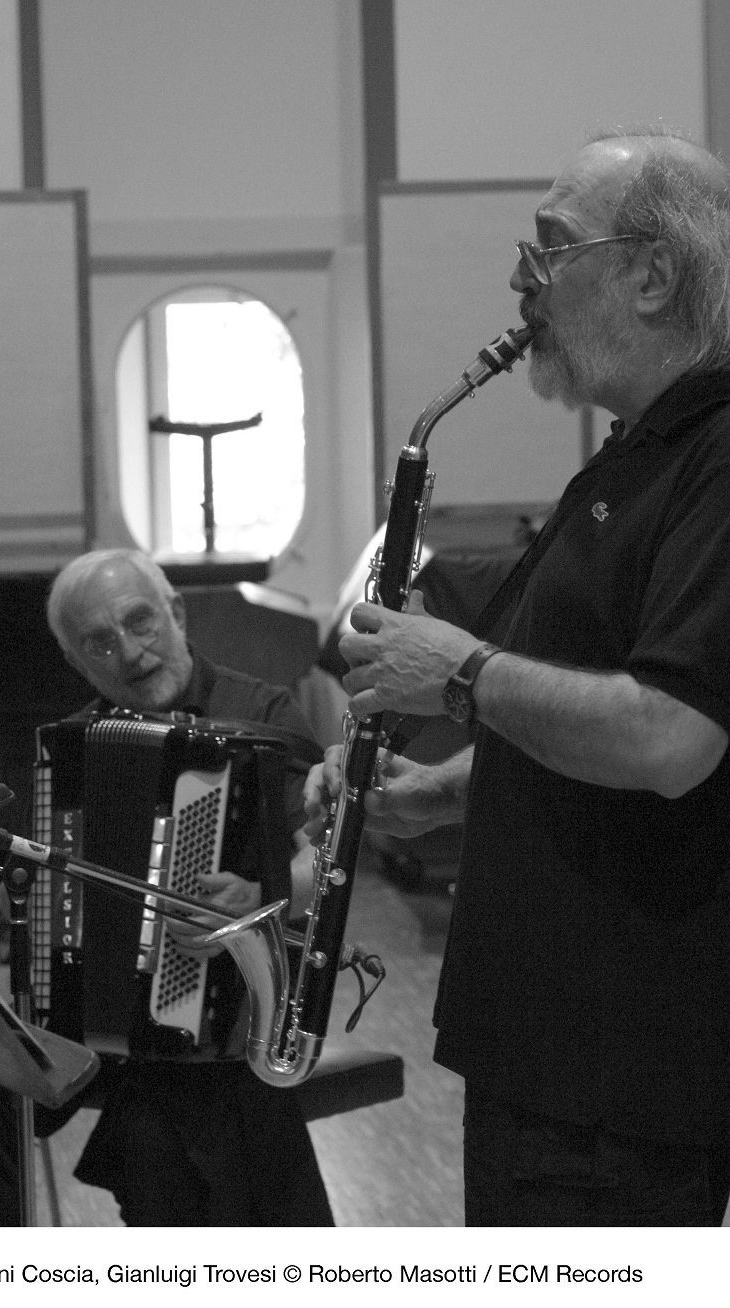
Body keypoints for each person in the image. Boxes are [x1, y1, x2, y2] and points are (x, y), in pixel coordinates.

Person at [306, 127, 730, 1227]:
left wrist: (459, 674)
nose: (520, 280)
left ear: (649, 274)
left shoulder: (718, 456)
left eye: (550, 245)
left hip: (616, 1072)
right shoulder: (636, 451)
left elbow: (670, 739)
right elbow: (595, 721)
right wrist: (441, 793)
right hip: (554, 1051)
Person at [0, 548, 333, 1226]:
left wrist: (260, 900)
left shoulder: (262, 712)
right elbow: (32, 885)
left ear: (176, 613)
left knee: (166, 1125)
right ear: (77, 662)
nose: (129, 651)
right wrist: (23, 899)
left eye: (140, 621)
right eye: (99, 643)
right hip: (88, 1013)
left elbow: (323, 859)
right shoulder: (70, 750)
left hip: (229, 1012)